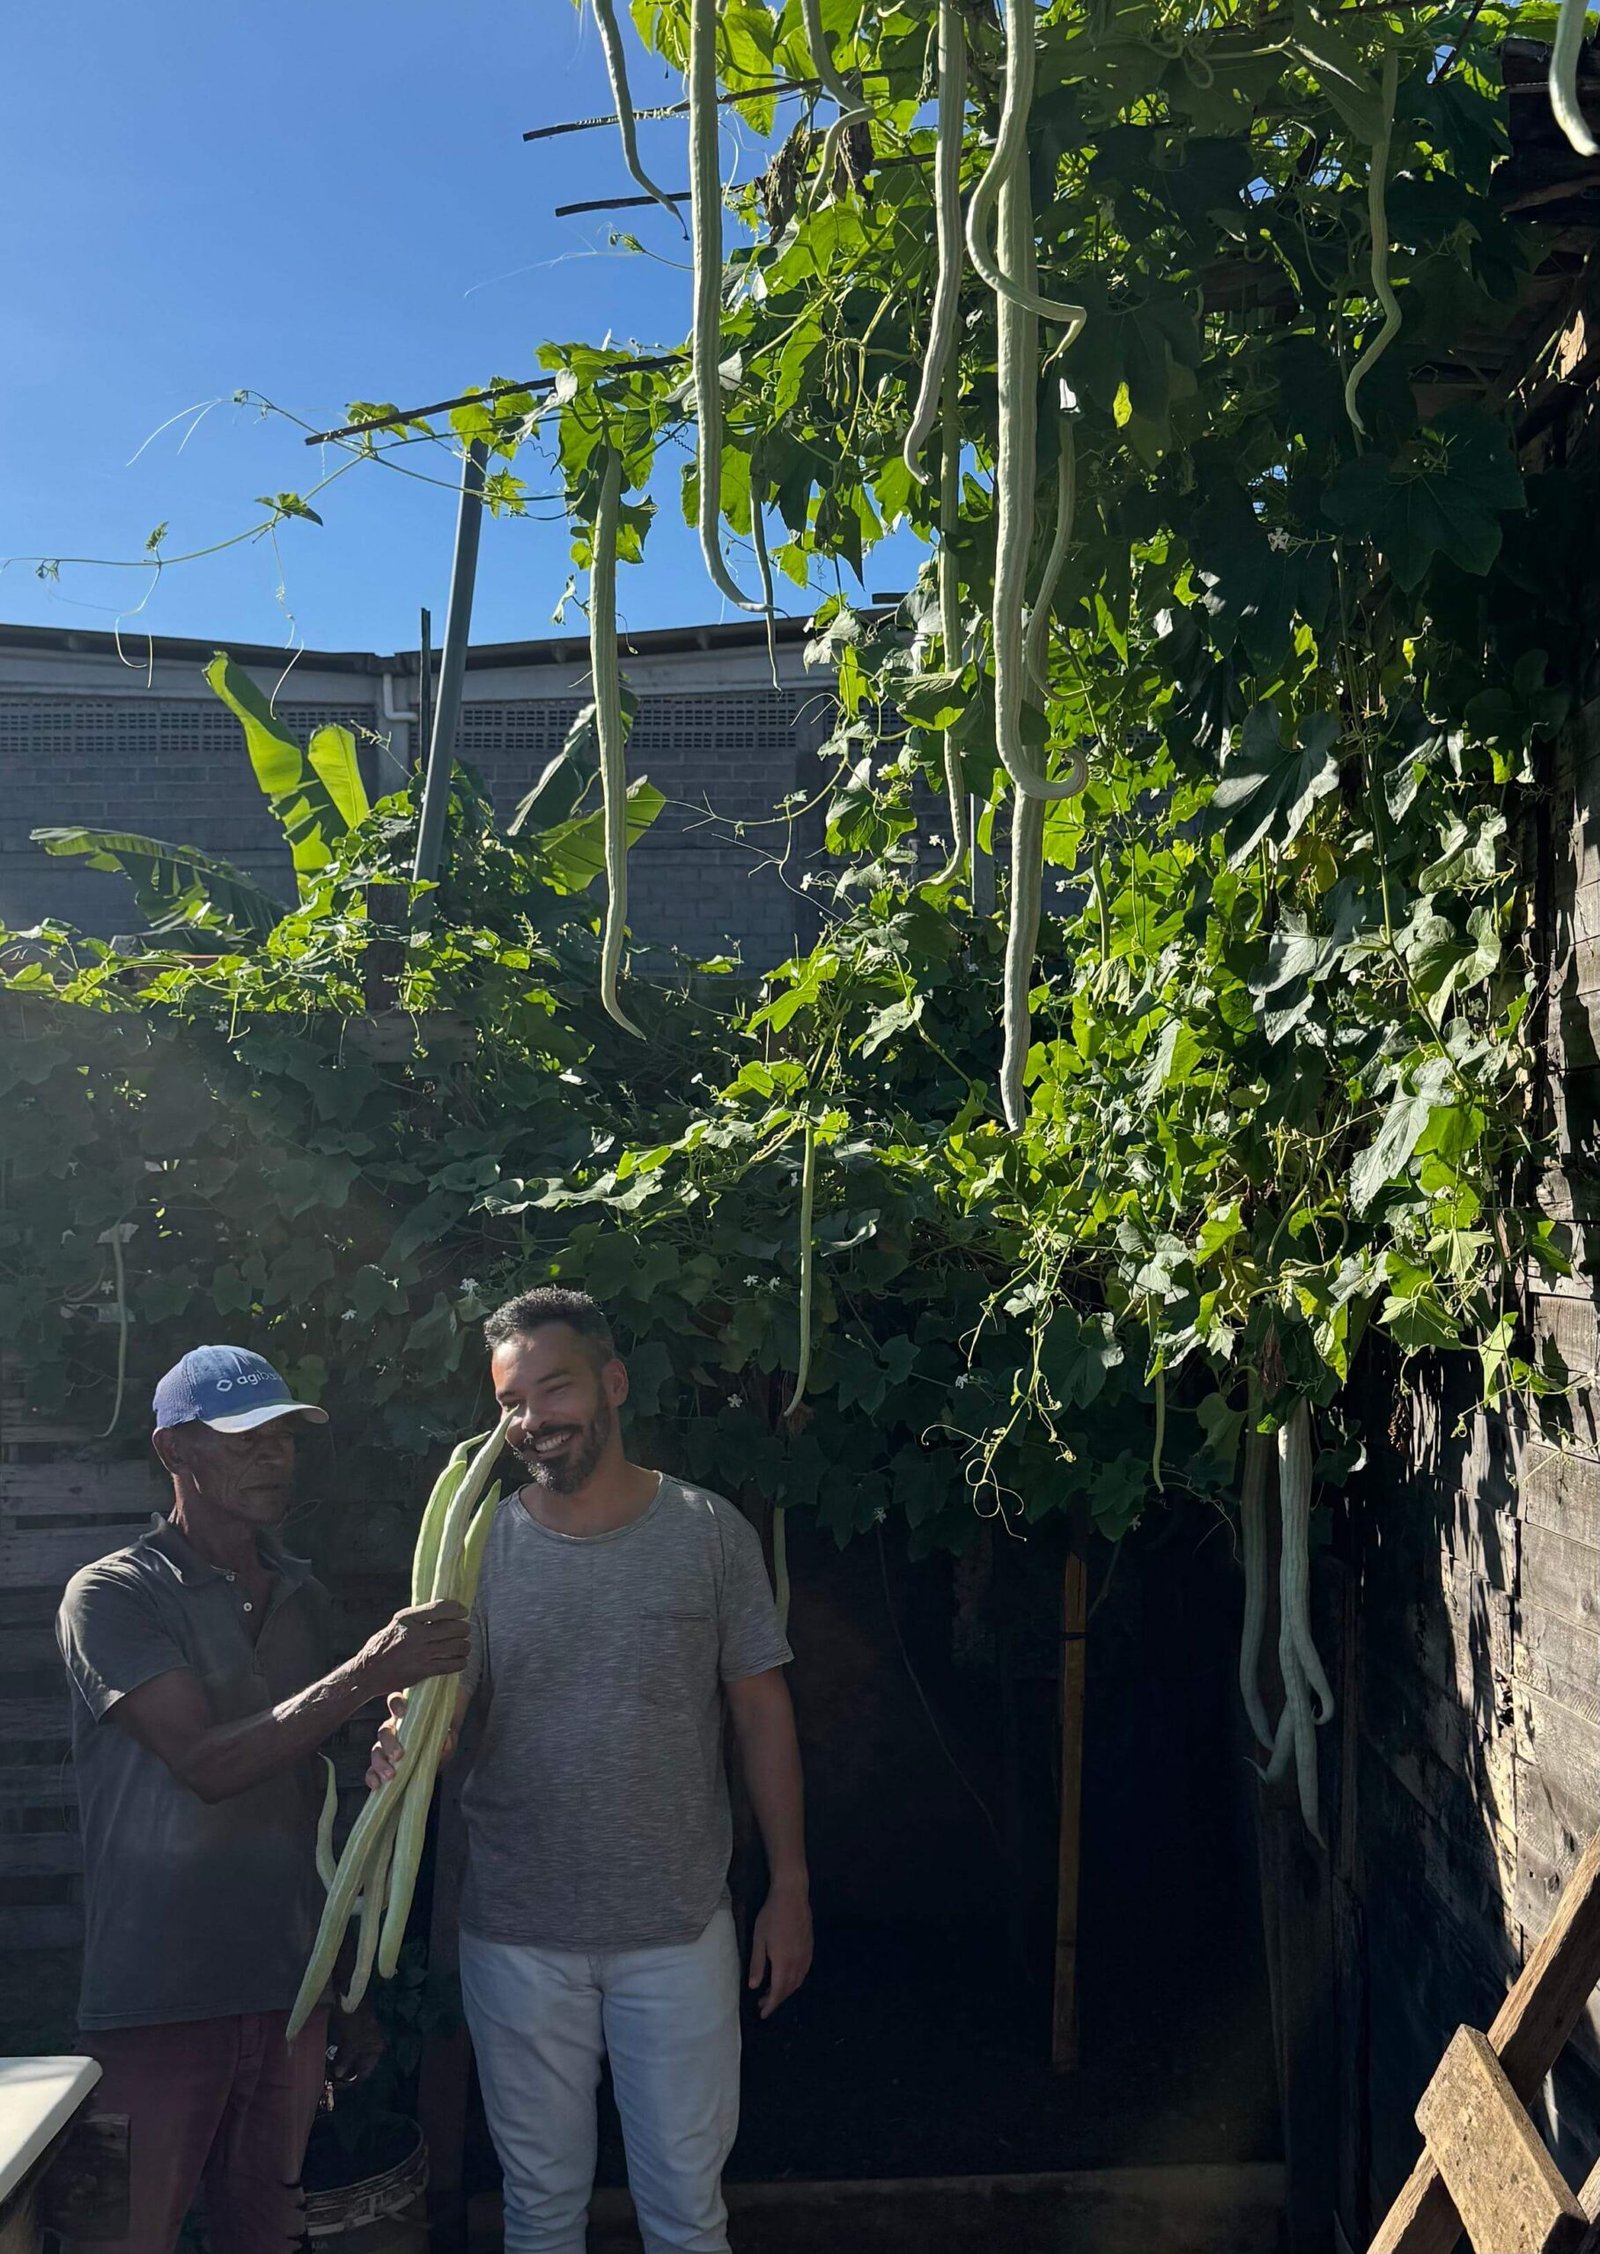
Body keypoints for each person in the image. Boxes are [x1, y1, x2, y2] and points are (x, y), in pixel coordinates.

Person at [369, 1287, 811, 2254]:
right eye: (511, 1403)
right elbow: (445, 1719)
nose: (533, 1420)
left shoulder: (707, 1531)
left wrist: (790, 1885)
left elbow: (761, 1710)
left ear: (612, 1383)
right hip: (517, 1937)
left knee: (688, 2216)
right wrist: (407, 1741)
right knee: (538, 2212)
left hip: (677, 1930)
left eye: (554, 1389)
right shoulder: (478, 1551)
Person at [55, 1344, 473, 2254]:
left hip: (289, 1996)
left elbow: (312, 1793)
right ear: (175, 1450)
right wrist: (366, 1673)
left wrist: (343, 1984)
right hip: (157, 1999)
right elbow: (204, 1763)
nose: (273, 1456)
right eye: (244, 1437)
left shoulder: (302, 1596)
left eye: (282, 1437)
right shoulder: (115, 1595)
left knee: (266, 2233)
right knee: (128, 2238)